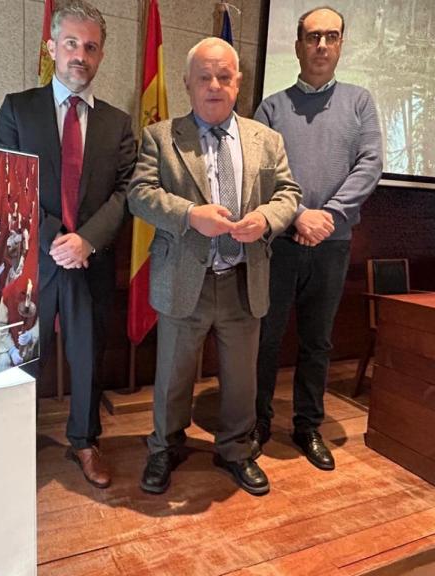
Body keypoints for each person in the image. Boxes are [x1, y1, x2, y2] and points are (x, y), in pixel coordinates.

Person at [128, 37, 300, 496]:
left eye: (224, 76)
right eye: (204, 76)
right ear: (187, 83)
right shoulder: (161, 137)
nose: (214, 85)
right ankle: (163, 447)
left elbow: (289, 195)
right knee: (172, 376)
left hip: (244, 279)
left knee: (242, 378)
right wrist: (189, 215)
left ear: (238, 82)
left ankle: (236, 450)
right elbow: (139, 194)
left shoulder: (268, 140)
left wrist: (266, 218)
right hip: (185, 278)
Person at [0, 0, 135, 489]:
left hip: (91, 262)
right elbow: (6, 184)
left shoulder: (118, 123)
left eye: (91, 47)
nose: (80, 55)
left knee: (89, 356)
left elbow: (125, 192)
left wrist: (88, 241)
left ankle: (84, 441)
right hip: (32, 260)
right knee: (21, 358)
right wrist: (56, 237)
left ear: (100, 56)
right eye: (71, 43)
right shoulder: (18, 108)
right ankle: (9, 443)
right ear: (51, 48)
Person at [253, 7, 383, 471]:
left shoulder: (359, 102)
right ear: (298, 45)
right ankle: (257, 423)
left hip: (332, 242)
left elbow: (370, 165)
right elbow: (258, 174)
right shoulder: (271, 107)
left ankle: (307, 426)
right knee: (266, 338)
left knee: (317, 342)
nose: (322, 46)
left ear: (341, 44)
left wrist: (327, 215)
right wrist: (298, 217)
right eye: (313, 37)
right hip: (279, 244)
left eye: (331, 37)